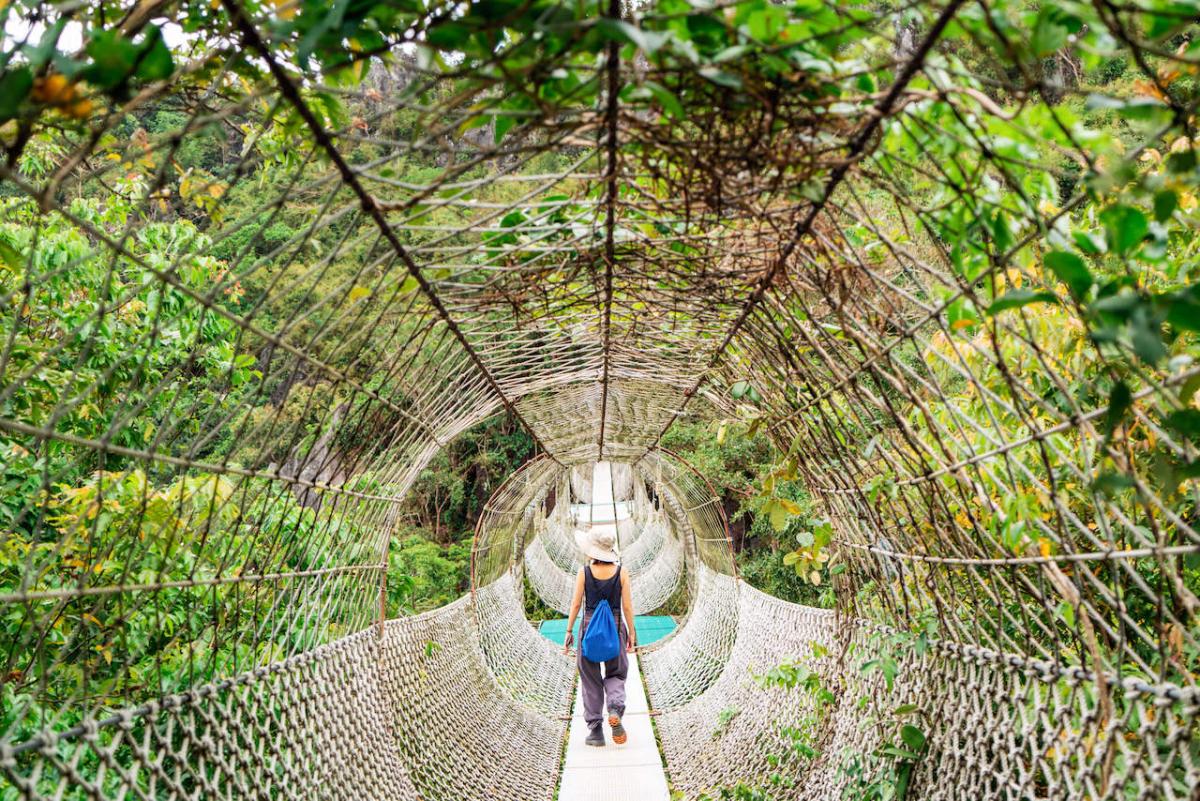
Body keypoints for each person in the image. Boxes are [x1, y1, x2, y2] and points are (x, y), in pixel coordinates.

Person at [564, 525, 636, 747]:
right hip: (614, 628)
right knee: (617, 673)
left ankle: (596, 731)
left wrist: (568, 631)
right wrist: (631, 633)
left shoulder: (584, 573)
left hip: (588, 630)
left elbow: (577, 603)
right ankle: (614, 708)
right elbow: (627, 606)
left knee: (590, 679)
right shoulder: (621, 572)